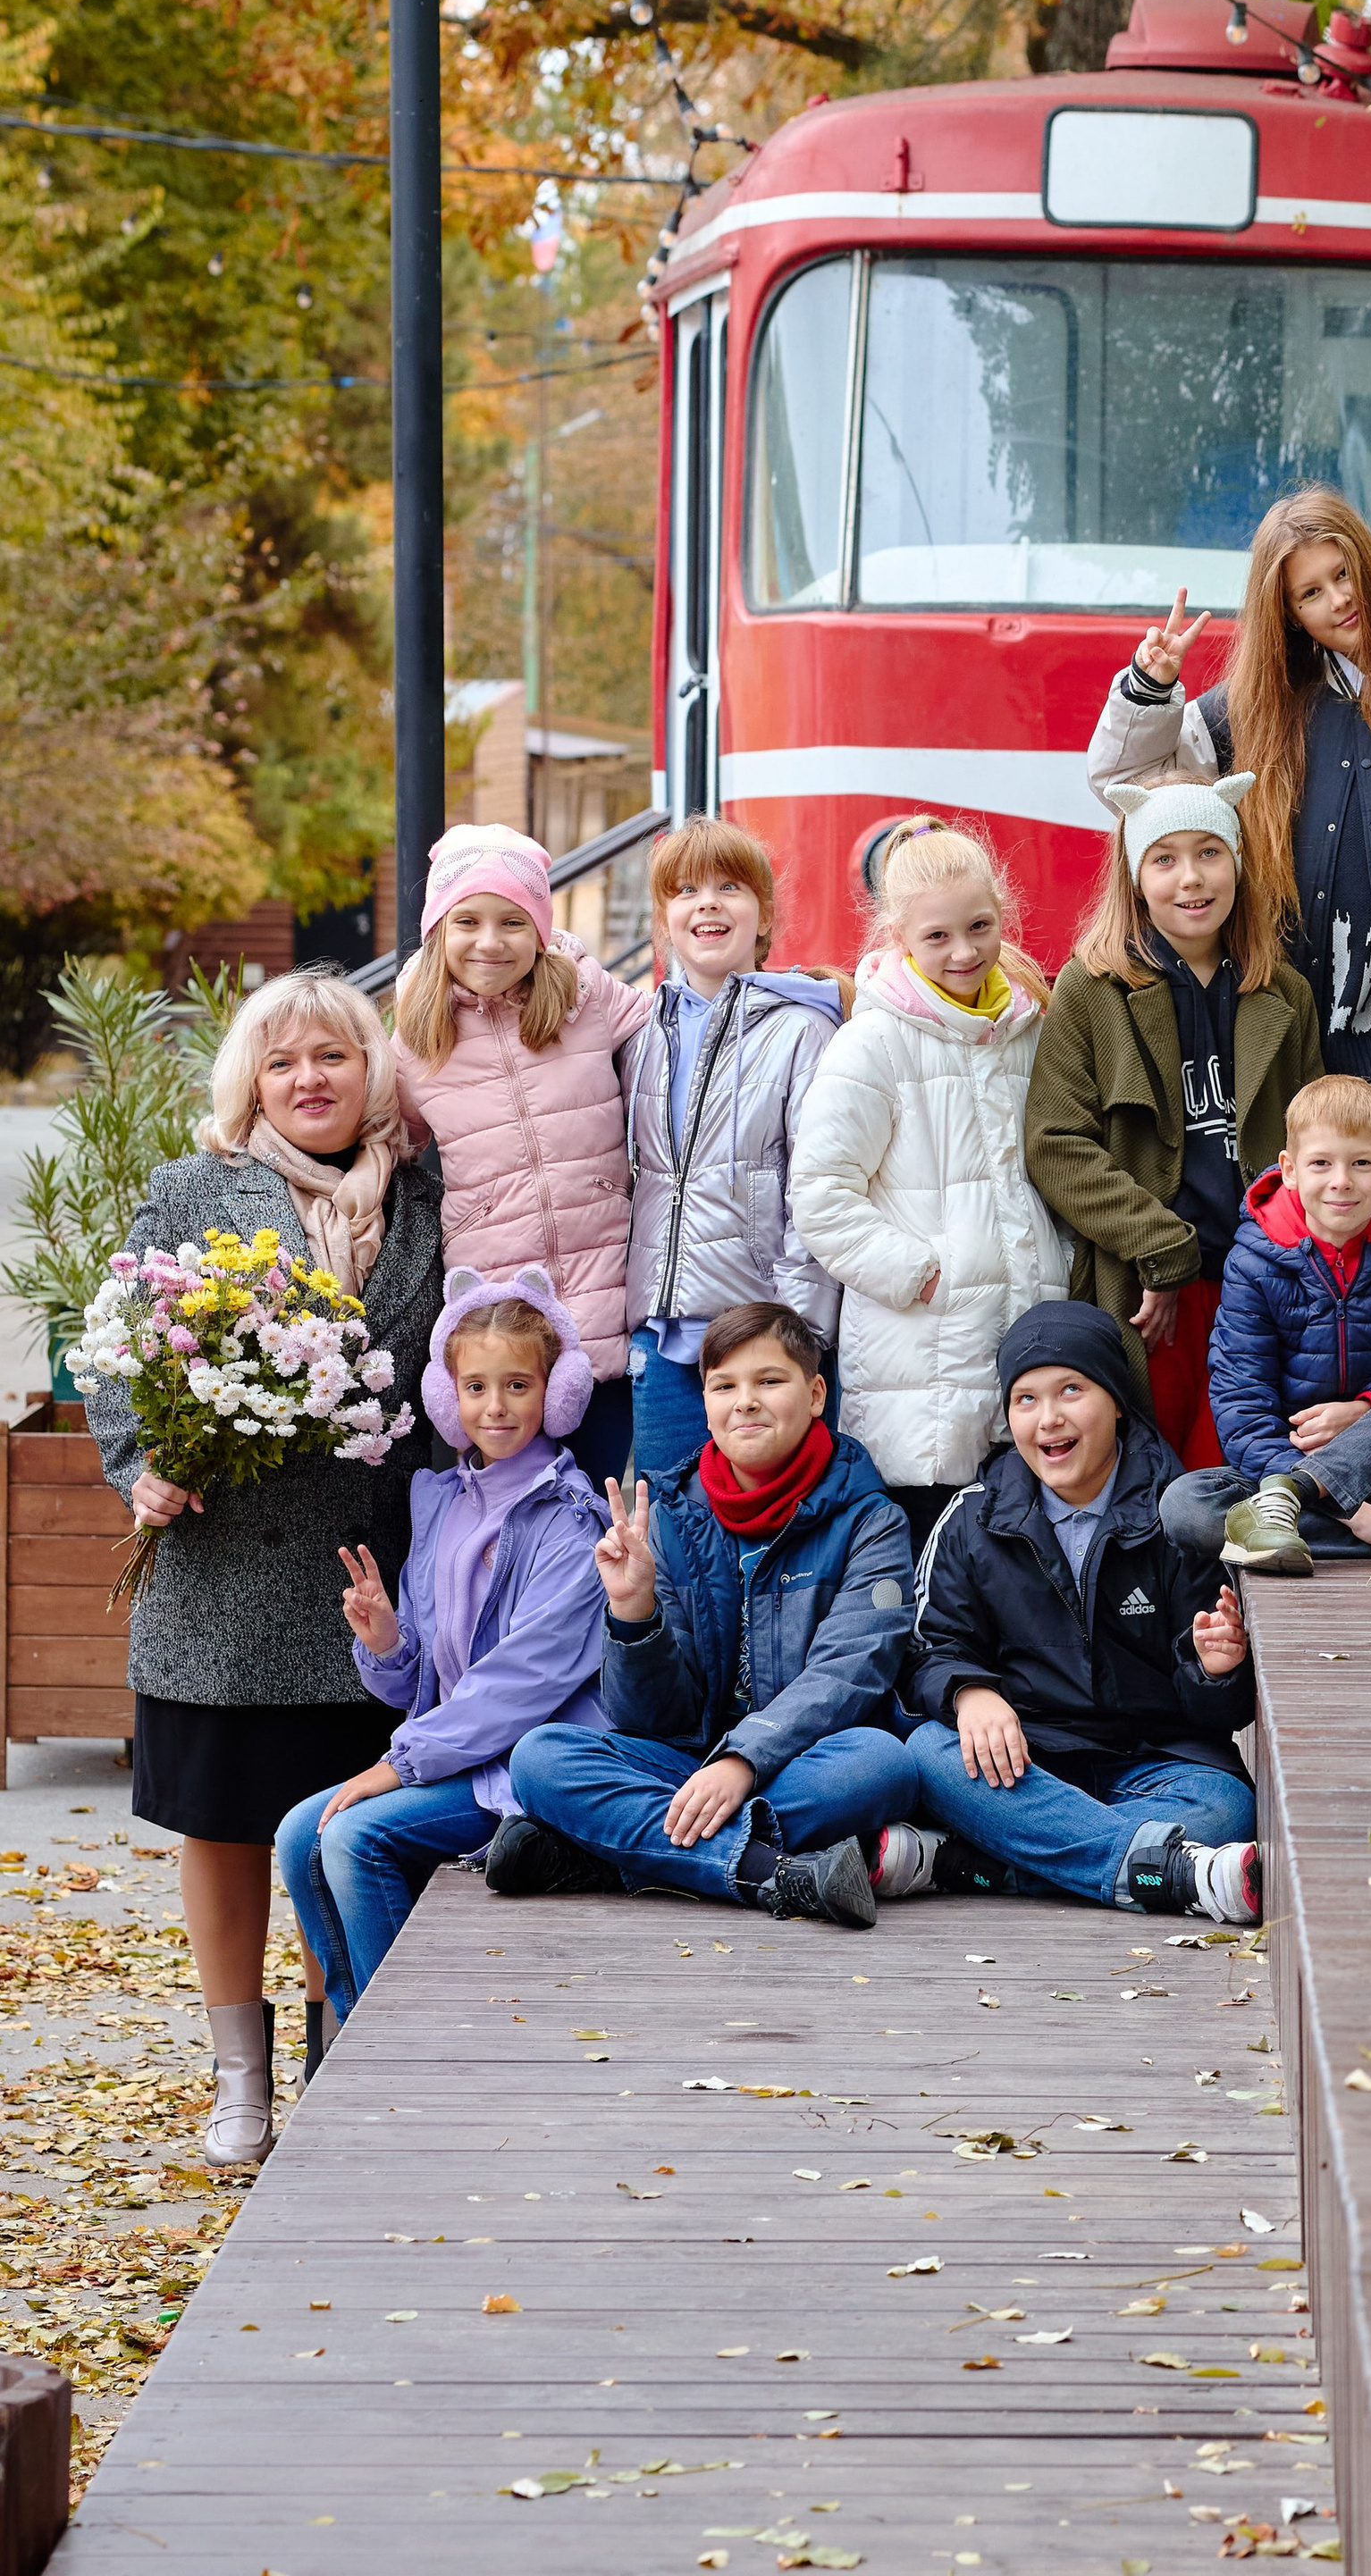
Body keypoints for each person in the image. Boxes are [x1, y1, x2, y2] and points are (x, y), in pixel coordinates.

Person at [86, 967, 443, 2168]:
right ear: (251, 1081)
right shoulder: (196, 1190)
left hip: (373, 1574)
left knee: (349, 1825)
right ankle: (240, 2078)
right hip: (224, 1579)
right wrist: (140, 1466)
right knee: (228, 1827)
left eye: (333, 1055)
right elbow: (113, 1350)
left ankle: (337, 2051)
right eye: (282, 1061)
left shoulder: (429, 1193)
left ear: (370, 1068)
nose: (309, 1079)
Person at [1087, 487, 1371, 1311]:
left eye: (1344, 574)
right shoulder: (1242, 713)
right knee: (1286, 1215)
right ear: (1285, 612)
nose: (1338, 600)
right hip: (1276, 1015)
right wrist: (1149, 687)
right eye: (1310, 593)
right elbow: (1127, 788)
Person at [494, 1301, 923, 1926]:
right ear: (705, 1403)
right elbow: (651, 1721)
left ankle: (612, 1859)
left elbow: (848, 1673)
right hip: (690, 1765)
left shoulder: (871, 1521)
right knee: (539, 1756)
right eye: (724, 1386)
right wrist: (633, 1613)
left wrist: (743, 1760)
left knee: (883, 1764)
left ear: (815, 1394)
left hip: (801, 1764)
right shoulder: (673, 1515)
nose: (745, 1402)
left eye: (768, 1381)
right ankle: (767, 1872)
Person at [275, 1271, 608, 2035]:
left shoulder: (570, 1520)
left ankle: (404, 2043)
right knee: (299, 1834)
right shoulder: (445, 1502)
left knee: (355, 1836)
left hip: (523, 1771)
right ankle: (359, 2040)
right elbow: (417, 1684)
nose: (496, 1407)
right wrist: (387, 1642)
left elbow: (521, 1683)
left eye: (518, 1385)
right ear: (446, 1397)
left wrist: (398, 1766)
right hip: (455, 1757)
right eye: (476, 1387)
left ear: (557, 1393)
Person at [904, 1302, 1260, 1919]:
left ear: (1116, 1401)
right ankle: (1168, 1871)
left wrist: (1214, 1669)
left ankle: (984, 1863)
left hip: (1157, 1760)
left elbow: (1222, 1715)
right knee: (927, 1754)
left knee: (1226, 1808)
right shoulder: (972, 1517)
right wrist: (970, 1693)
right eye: (1026, 1399)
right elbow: (929, 1647)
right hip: (1027, 1759)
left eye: (1072, 1390)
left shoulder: (1177, 1514)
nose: (1049, 1418)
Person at [1024, 768, 1322, 1467]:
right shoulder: (1092, 987)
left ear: (1238, 863)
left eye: (1209, 852)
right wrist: (1161, 1252)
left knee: (1244, 1470)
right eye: (1164, 859)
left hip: (1264, 1282)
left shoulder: (1285, 992)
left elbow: (1317, 1140)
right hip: (1152, 1290)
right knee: (1159, 1469)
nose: (1191, 879)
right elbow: (1055, 1144)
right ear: (1135, 877)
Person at [786, 818, 1062, 1551]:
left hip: (1022, 1340)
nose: (964, 952)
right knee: (930, 1560)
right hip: (920, 1357)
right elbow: (820, 1194)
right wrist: (922, 1274)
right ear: (899, 936)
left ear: (1003, 915)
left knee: (1015, 1564)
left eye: (980, 928)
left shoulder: (1029, 1028)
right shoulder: (872, 1043)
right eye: (937, 936)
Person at [1161, 1073, 1371, 1578]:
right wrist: (1353, 1513)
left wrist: (1367, 1408)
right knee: (1186, 1505)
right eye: (1321, 1163)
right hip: (1288, 1469)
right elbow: (1242, 1407)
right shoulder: (1253, 1264)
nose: (1341, 1181)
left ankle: (1320, 1526)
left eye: (1361, 1163)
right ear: (1290, 1170)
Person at [392, 824, 652, 1493]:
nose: (490, 941)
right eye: (467, 921)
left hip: (604, 1307)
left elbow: (676, 1037)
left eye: (512, 921)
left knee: (596, 1502)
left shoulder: (586, 996)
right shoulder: (415, 1041)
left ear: (540, 931)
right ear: (438, 931)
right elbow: (386, 1148)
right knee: (507, 1508)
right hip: (499, 1330)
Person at [621, 815, 845, 1481]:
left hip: (763, 1345)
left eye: (730, 887)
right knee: (669, 1526)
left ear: (764, 914)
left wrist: (796, 1337)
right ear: (665, 920)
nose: (708, 904)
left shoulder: (802, 1031)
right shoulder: (642, 1037)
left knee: (779, 1526)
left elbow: (818, 1190)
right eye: (686, 891)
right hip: (664, 1345)